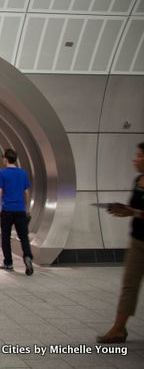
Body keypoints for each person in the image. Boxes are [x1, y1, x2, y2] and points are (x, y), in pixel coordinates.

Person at [97, 142, 144, 344]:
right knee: (129, 285)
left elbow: (137, 211)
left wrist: (132, 212)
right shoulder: (138, 181)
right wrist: (123, 210)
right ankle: (118, 328)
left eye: (140, 155)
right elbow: (135, 209)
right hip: (138, 241)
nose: (135, 159)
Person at [0, 148, 33, 275]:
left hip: (7, 210)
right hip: (20, 210)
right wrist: (25, 208)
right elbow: (26, 192)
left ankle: (8, 263)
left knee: (6, 237)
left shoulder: (2, 173)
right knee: (23, 237)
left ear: (5, 158)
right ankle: (27, 257)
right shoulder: (23, 173)